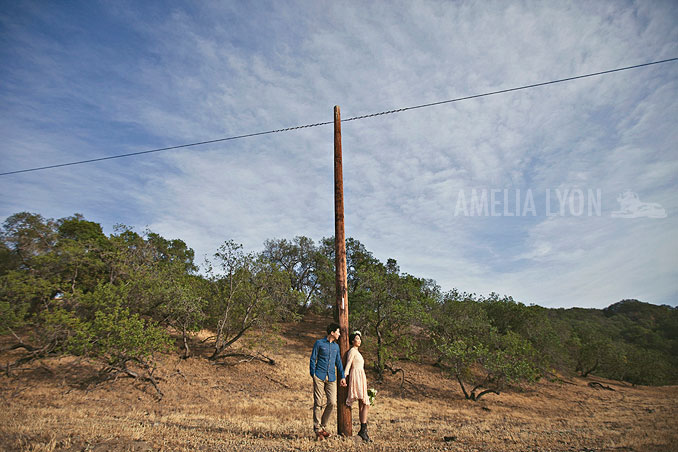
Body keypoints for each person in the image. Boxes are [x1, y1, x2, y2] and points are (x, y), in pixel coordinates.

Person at [309, 323, 347, 440]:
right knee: (318, 402)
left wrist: (342, 376)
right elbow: (313, 358)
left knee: (332, 402)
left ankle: (322, 426)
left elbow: (338, 363)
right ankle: (317, 428)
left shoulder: (336, 347)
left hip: (331, 378)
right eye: (338, 332)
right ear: (332, 332)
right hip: (319, 376)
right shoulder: (319, 343)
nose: (339, 334)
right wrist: (313, 374)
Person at [344, 330, 372, 442]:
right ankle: (363, 429)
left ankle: (363, 429)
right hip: (356, 376)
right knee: (365, 402)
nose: (359, 341)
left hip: (361, 376)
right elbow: (348, 364)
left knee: (363, 403)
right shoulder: (352, 351)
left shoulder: (358, 352)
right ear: (352, 340)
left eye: (360, 339)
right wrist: (344, 376)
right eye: (357, 339)